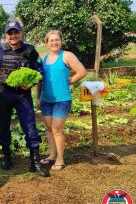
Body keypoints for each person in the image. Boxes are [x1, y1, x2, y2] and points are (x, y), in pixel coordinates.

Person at [0, 21, 49, 177]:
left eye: (16, 32)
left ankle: (35, 162)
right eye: (10, 33)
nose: (13, 36)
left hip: (22, 95)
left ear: (21, 33)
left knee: (30, 126)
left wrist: (30, 83)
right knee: (3, 127)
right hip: (3, 94)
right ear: (6, 35)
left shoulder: (30, 50)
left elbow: (40, 71)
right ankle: (7, 156)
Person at [37, 30, 87, 171]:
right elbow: (40, 80)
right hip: (46, 99)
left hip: (62, 99)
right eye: (51, 40)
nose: (54, 42)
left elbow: (82, 71)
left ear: (61, 41)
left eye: (57, 40)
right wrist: (38, 97)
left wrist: (69, 81)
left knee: (57, 129)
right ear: (46, 43)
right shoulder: (44, 58)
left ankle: (60, 159)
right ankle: (52, 155)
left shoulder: (67, 56)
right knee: (49, 128)